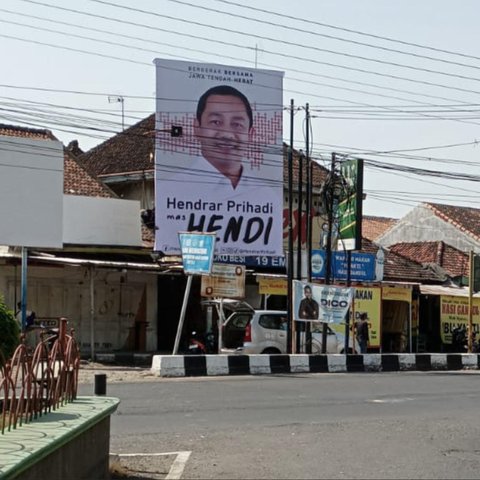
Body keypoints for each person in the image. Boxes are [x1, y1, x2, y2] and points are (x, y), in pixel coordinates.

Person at [194, 85, 254, 189]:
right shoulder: (173, 190)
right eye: (216, 122)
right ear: (197, 128)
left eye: (237, 124)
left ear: (250, 134)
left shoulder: (266, 195)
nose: (227, 135)